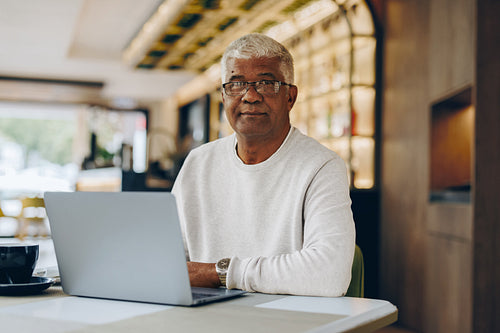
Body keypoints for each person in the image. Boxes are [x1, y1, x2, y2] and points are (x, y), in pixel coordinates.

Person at [172, 33, 355, 297]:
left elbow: (329, 274)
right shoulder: (198, 164)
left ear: (290, 97)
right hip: (203, 318)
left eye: (266, 83)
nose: (250, 96)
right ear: (223, 96)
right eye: (236, 84)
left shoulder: (322, 166)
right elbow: (169, 263)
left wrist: (220, 273)